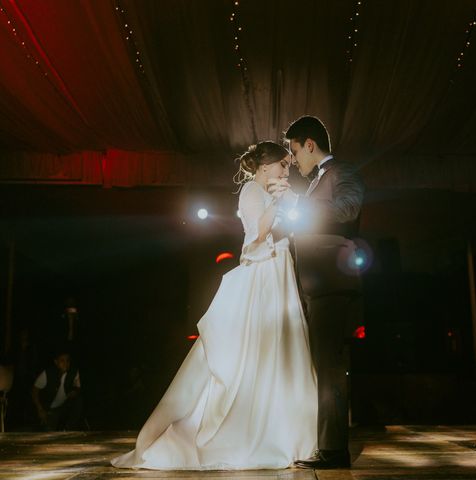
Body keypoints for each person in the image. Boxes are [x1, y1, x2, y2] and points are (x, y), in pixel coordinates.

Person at [111, 141, 317, 470]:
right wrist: (278, 201)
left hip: (279, 272)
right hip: (262, 274)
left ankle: (286, 433)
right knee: (251, 355)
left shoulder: (272, 192)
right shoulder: (251, 191)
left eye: (288, 166)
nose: (286, 170)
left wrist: (286, 202)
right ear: (265, 167)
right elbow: (258, 234)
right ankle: (239, 433)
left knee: (281, 353)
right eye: (282, 165)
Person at [270, 115, 365, 469]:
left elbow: (348, 208)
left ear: (310, 144)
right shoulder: (314, 183)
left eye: (295, 152)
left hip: (332, 282)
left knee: (330, 367)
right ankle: (326, 445)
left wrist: (300, 204)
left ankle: (334, 451)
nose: (294, 161)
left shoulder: (343, 172)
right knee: (321, 366)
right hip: (314, 284)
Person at [31, 347, 83, 431]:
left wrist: (74, 392)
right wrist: (40, 409)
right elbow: (34, 391)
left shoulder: (74, 372)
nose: (66, 363)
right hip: (48, 408)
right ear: (56, 362)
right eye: (62, 361)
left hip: (63, 406)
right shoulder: (48, 373)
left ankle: (69, 428)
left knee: (78, 401)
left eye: (67, 360)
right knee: (48, 431)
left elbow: (78, 387)